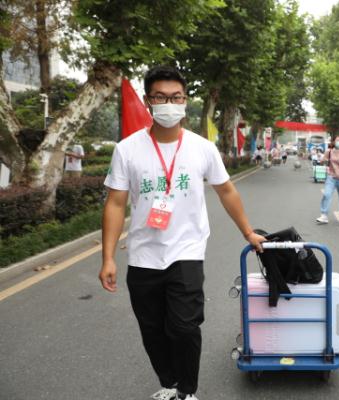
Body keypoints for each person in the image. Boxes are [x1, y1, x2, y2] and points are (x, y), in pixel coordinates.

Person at [99, 66, 265, 400]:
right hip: (144, 253)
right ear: (148, 101)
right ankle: (170, 383)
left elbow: (227, 191)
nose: (168, 104)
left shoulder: (201, 148)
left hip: (187, 251)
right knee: (152, 330)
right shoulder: (127, 150)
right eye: (160, 97)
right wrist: (107, 258)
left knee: (184, 327)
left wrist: (248, 232)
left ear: (186, 101)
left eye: (176, 98)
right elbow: (116, 203)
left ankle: (188, 391)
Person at [316, 136, 339, 224]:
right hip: (331, 177)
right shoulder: (329, 152)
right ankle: (324, 215)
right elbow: (322, 161)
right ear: (333, 142)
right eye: (337, 140)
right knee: (326, 194)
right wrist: (321, 159)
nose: (338, 142)